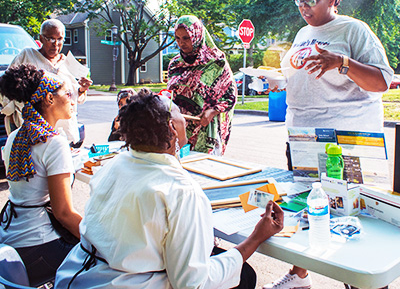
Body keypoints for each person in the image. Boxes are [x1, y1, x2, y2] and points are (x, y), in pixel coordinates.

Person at [55, 88, 284, 289]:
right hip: (120, 282)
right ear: (173, 128)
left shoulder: (114, 165)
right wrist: (255, 238)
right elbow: (192, 283)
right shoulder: (181, 192)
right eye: (178, 113)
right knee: (244, 275)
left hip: (75, 276)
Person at [264, 0, 393, 289]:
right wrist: (279, 83)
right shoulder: (302, 34)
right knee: (309, 205)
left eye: (312, 0)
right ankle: (300, 275)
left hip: (347, 140)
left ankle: (365, 283)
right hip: (304, 136)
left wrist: (343, 63)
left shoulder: (354, 31)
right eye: (300, 1)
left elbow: (382, 80)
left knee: (353, 215)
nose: (304, 7)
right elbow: (302, 76)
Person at [0, 65, 82, 286]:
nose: (72, 100)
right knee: (100, 260)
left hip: (9, 239)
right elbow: (63, 213)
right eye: (66, 93)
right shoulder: (54, 143)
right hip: (38, 247)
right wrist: (99, 240)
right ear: (49, 99)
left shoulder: (15, 136)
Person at [0, 18, 92, 145]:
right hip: (34, 132)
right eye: (50, 39)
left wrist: (81, 89)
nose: (55, 44)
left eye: (60, 39)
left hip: (63, 131)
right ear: (41, 38)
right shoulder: (27, 56)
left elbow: (74, 98)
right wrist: (15, 108)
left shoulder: (67, 63)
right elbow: (6, 86)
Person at [167, 15, 237, 155]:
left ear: (197, 35)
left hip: (205, 129)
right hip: (179, 130)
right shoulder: (175, 64)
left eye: (186, 38)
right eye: (178, 38)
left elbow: (230, 95)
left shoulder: (216, 62)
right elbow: (170, 95)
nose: (182, 43)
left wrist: (212, 111)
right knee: (180, 169)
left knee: (204, 170)